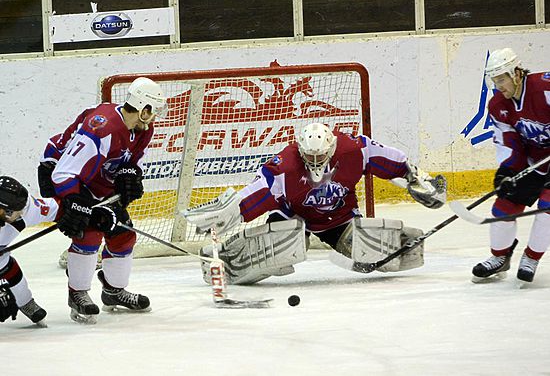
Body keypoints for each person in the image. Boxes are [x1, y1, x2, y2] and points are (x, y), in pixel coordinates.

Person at [183, 123, 447, 285]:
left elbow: (393, 161)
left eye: (320, 155)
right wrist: (229, 213)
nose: (315, 160)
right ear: (300, 149)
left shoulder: (354, 150)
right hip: (293, 219)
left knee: (373, 256)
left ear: (331, 148)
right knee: (281, 248)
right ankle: (223, 258)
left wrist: (417, 177)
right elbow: (255, 195)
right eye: (309, 155)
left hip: (340, 218)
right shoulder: (284, 168)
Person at [47, 76, 168, 323]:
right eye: (152, 111)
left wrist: (131, 173)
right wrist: (76, 202)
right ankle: (77, 294)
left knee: (123, 233)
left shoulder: (143, 129)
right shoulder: (102, 128)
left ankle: (114, 292)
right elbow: (63, 172)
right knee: (89, 234)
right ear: (144, 109)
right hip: (74, 181)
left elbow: (134, 160)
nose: (154, 117)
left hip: (101, 186)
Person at [472, 48, 550, 283]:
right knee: (504, 206)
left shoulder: (545, 88)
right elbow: (509, 142)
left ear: (517, 73)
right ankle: (500, 257)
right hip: (533, 161)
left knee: (548, 207)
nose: (499, 86)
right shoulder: (498, 105)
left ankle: (532, 257)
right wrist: (507, 171)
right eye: (495, 81)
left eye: (502, 79)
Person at [0, 176, 55, 326]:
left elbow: (59, 208)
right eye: (14, 212)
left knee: (4, 263)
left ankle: (25, 302)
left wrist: (78, 212)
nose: (21, 215)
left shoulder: (28, 209)